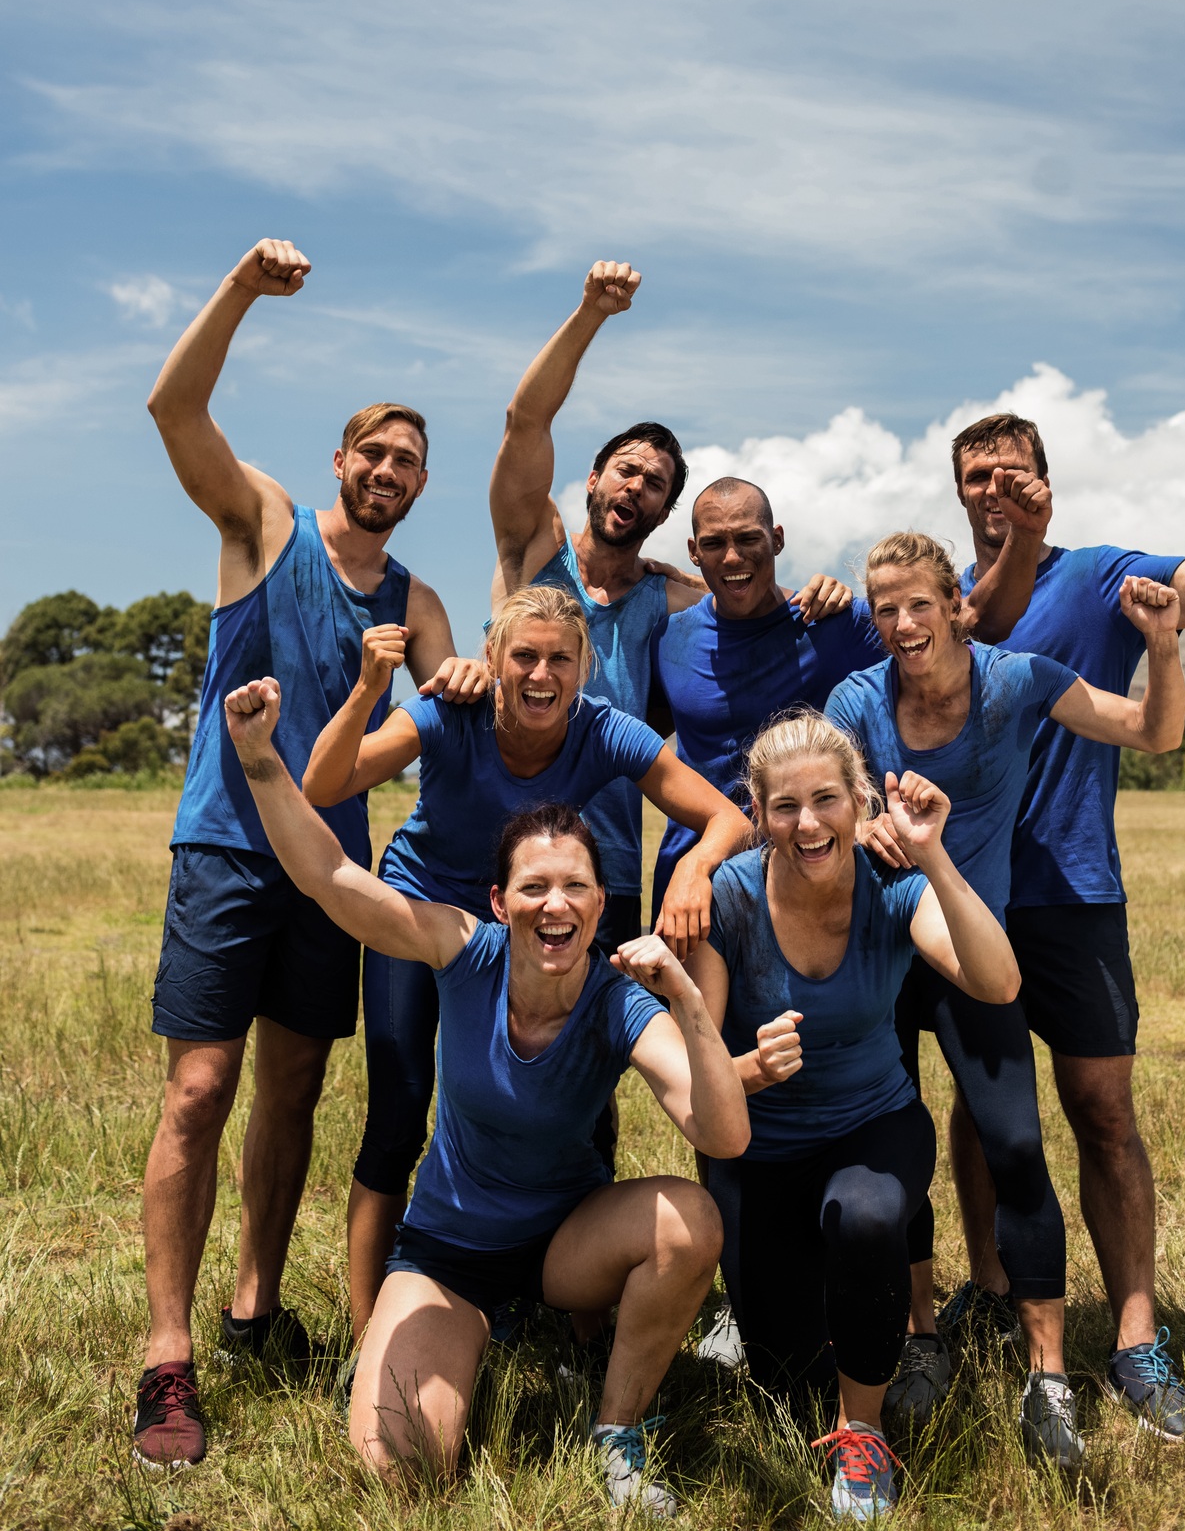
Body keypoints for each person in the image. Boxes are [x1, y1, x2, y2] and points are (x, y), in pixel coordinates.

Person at [223, 676, 750, 1518]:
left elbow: (719, 1136)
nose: (556, 904)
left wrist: (688, 1003)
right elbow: (329, 875)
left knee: (693, 1220)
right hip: (449, 1254)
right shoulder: (463, 950)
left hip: (562, 1250)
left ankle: (615, 1429)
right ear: (500, 904)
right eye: (534, 888)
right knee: (402, 1470)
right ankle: (456, 1337)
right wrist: (258, 761)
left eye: (576, 887)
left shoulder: (620, 999)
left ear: (599, 906)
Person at [133, 239, 481, 1472]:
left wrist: (441, 687)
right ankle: (168, 1359)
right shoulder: (265, 524)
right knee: (199, 1087)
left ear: (421, 485)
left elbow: (443, 712)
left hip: (331, 872)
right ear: (343, 460)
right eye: (373, 453)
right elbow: (175, 406)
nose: (388, 471)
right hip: (227, 847)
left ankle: (255, 1307)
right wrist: (236, 287)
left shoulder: (420, 602)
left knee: (290, 1090)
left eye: (408, 463)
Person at [943, 402, 1185, 1441]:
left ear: (1046, 483)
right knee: (981, 1106)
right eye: (978, 478)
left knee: (1102, 1111)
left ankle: (1137, 1337)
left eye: (1013, 475)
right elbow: (986, 633)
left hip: (1075, 889)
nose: (995, 491)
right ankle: (996, 1291)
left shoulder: (1093, 574)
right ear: (956, 493)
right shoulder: (942, 605)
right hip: (973, 897)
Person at [302, 582, 754, 1341]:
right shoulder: (451, 707)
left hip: (539, 917)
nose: (541, 676)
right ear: (492, 659)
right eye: (523, 657)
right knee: (401, 1105)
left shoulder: (605, 729)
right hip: (431, 913)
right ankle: (367, 1328)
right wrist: (369, 689)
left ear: (582, 670)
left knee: (584, 1102)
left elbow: (726, 817)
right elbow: (324, 783)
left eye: (559, 660)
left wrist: (694, 867)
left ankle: (580, 1321)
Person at [826, 530, 1185, 1467]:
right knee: (891, 1143)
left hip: (964, 944)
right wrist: (867, 825)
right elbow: (829, 810)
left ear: (955, 606)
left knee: (1015, 1141)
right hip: (876, 951)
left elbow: (1154, 732)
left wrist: (1163, 644)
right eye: (883, 608)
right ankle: (920, 1336)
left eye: (916, 604)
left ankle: (1048, 1378)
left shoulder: (1018, 680)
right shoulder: (856, 700)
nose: (900, 624)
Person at [686, 713, 1020, 1522]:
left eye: (827, 800)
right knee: (782, 1375)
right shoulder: (728, 898)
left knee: (867, 1215)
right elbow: (699, 1100)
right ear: (758, 814)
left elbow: (998, 981)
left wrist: (934, 853)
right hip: (757, 1152)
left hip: (872, 1127)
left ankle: (862, 1434)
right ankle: (773, 1310)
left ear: (859, 800)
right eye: (785, 807)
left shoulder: (892, 880)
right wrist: (747, 1071)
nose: (808, 823)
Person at [490, 259, 854, 947]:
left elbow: (750, 586)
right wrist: (591, 313)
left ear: (667, 516)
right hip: (506, 855)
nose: (636, 486)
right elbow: (524, 419)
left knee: (606, 1045)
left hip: (613, 863)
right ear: (594, 478)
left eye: (655, 483)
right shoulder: (531, 549)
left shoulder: (673, 599)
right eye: (626, 469)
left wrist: (826, 587)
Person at [650, 471, 1055, 958]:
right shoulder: (669, 638)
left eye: (749, 539)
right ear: (694, 551)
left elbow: (963, 627)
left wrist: (1025, 536)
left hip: (803, 878)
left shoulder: (836, 622)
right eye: (714, 543)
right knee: (692, 1030)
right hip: (693, 878)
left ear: (777, 540)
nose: (732, 556)